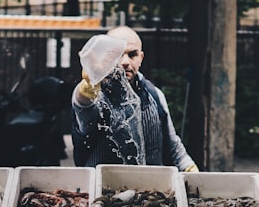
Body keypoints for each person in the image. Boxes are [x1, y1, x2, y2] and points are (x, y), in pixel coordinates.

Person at [72, 26, 199, 172]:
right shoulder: (94, 94)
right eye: (117, 54)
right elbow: (83, 108)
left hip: (151, 190)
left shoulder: (155, 95)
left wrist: (190, 169)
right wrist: (88, 85)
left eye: (132, 54)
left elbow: (173, 146)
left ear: (141, 58)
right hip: (102, 190)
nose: (125, 62)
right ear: (105, 57)